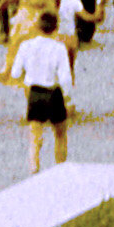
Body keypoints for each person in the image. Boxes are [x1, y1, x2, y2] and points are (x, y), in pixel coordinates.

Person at [13, 11, 75, 173]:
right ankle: (60, 167)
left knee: (34, 135)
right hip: (53, 92)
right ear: (56, 27)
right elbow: (65, 77)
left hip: (34, 92)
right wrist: (67, 97)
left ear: (37, 26)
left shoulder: (25, 46)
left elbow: (15, 73)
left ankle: (34, 166)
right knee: (60, 133)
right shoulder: (59, 48)